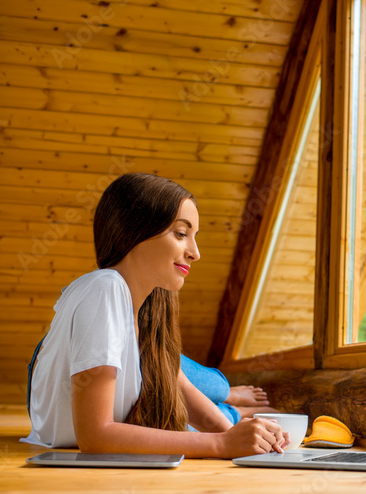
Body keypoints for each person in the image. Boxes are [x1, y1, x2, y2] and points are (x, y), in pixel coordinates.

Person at [21, 173, 288, 458]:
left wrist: (232, 433)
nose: (195, 253)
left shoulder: (145, 308)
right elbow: (95, 436)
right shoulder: (105, 288)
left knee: (193, 402)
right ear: (133, 231)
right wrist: (221, 444)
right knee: (216, 388)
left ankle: (234, 413)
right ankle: (234, 406)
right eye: (181, 234)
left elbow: (177, 383)